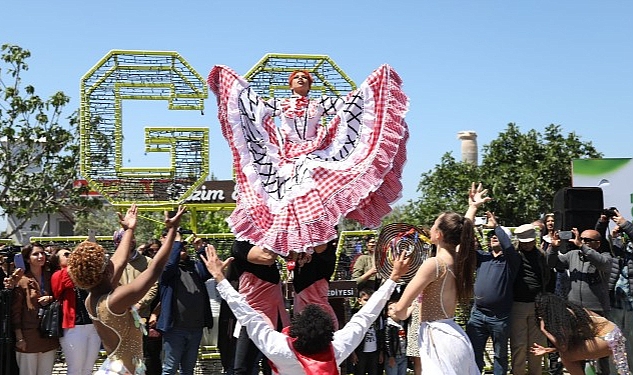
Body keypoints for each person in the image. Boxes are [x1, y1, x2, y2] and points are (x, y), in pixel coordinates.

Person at [208, 65, 409, 256]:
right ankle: (287, 233)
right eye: (297, 77)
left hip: (313, 151)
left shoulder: (318, 104)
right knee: (281, 192)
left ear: (310, 85)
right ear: (291, 84)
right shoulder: (281, 103)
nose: (301, 79)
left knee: (315, 175)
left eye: (305, 77)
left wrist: (371, 88)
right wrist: (239, 92)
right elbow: (257, 109)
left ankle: (316, 228)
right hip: (287, 154)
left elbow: (348, 105)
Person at [201, 244, 410, 375]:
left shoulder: (279, 348)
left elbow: (245, 312)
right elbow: (366, 315)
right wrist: (393, 279)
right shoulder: (337, 347)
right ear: (330, 333)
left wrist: (219, 277)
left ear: (295, 330)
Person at [67, 204, 186, 375]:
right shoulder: (114, 300)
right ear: (106, 271)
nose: (112, 260)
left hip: (117, 369)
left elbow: (120, 260)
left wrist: (129, 229)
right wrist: (173, 231)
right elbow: (155, 269)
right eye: (107, 259)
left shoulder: (93, 297)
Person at [392, 182, 484, 375]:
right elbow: (463, 231)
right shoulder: (458, 259)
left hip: (437, 340)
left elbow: (400, 310)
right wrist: (472, 208)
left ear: (439, 235)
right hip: (454, 335)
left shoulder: (434, 264)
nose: (431, 226)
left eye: (434, 224)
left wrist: (395, 310)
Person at [546, 226, 613, 374]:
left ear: (598, 243)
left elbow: (602, 264)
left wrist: (582, 247)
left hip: (597, 310)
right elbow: (552, 263)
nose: (583, 241)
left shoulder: (606, 256)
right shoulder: (573, 255)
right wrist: (553, 247)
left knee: (602, 352)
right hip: (576, 310)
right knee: (576, 348)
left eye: (588, 240)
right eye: (582, 239)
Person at [465, 210, 520, 375]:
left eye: (498, 236)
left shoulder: (512, 261)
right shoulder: (482, 257)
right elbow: (465, 246)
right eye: (492, 236)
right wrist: (470, 223)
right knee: (473, 354)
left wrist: (496, 227)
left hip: (499, 317)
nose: (494, 237)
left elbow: (509, 247)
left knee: (500, 356)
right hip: (477, 315)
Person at [530, 293, 630, 375]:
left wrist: (544, 330)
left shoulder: (564, 317)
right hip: (612, 336)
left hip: (609, 338)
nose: (540, 314)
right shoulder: (568, 311)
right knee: (568, 353)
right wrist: (549, 350)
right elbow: (569, 345)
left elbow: (564, 347)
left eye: (541, 310)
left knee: (566, 356)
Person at [156, 235, 214, 375]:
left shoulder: (194, 267)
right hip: (175, 329)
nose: (183, 248)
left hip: (195, 328)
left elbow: (208, 272)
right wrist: (176, 243)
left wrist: (200, 250)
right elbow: (170, 266)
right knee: (170, 369)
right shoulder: (165, 269)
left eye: (184, 246)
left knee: (188, 370)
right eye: (179, 247)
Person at [230, 239, 290, 375]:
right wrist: (277, 239)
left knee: (277, 364)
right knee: (244, 366)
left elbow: (291, 254)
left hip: (276, 314)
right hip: (253, 316)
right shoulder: (241, 245)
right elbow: (267, 257)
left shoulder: (269, 244)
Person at [114, 230, 161, 375]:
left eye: (132, 238)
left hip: (142, 317)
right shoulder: (112, 264)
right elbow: (110, 286)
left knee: (144, 357)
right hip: (119, 317)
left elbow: (153, 285)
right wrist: (122, 304)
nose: (131, 241)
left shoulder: (147, 262)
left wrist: (140, 303)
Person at [51, 246, 101, 375]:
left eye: (71, 254)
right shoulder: (58, 274)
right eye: (66, 255)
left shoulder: (84, 274)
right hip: (74, 327)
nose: (70, 256)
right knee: (75, 369)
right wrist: (76, 263)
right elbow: (60, 288)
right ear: (57, 261)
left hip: (92, 325)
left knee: (88, 369)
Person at [11, 243, 59, 375]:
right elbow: (16, 312)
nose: (40, 256)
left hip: (49, 334)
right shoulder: (22, 280)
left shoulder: (52, 277)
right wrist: (19, 338)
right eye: (35, 254)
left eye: (42, 253)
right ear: (27, 259)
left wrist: (50, 298)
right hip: (28, 336)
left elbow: (61, 298)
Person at [511, 223, 552, 375]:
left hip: (538, 304)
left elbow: (549, 278)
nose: (527, 244)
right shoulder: (514, 255)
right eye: (524, 242)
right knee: (519, 345)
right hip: (518, 304)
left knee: (537, 345)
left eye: (530, 241)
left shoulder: (541, 255)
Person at [602, 209, 633, 372]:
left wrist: (625, 224)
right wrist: (606, 225)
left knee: (631, 342)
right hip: (616, 302)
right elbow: (597, 242)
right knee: (613, 341)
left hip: (631, 305)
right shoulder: (620, 245)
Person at [291, 236, 339, 329]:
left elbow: (320, 245)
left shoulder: (325, 251)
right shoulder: (300, 245)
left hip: (318, 312)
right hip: (300, 299)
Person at [349, 288, 385, 375]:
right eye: (365, 300)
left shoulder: (377, 315)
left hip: (374, 351)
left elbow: (380, 334)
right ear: (359, 301)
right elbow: (351, 336)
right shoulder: (356, 315)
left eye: (371, 300)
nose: (368, 302)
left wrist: (381, 352)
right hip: (360, 351)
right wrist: (353, 353)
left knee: (374, 372)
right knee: (359, 372)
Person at [384, 301, 407, 375]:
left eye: (395, 308)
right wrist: (391, 356)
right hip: (394, 356)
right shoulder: (388, 325)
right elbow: (387, 342)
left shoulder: (403, 323)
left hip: (403, 354)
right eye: (390, 308)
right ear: (388, 313)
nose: (394, 310)